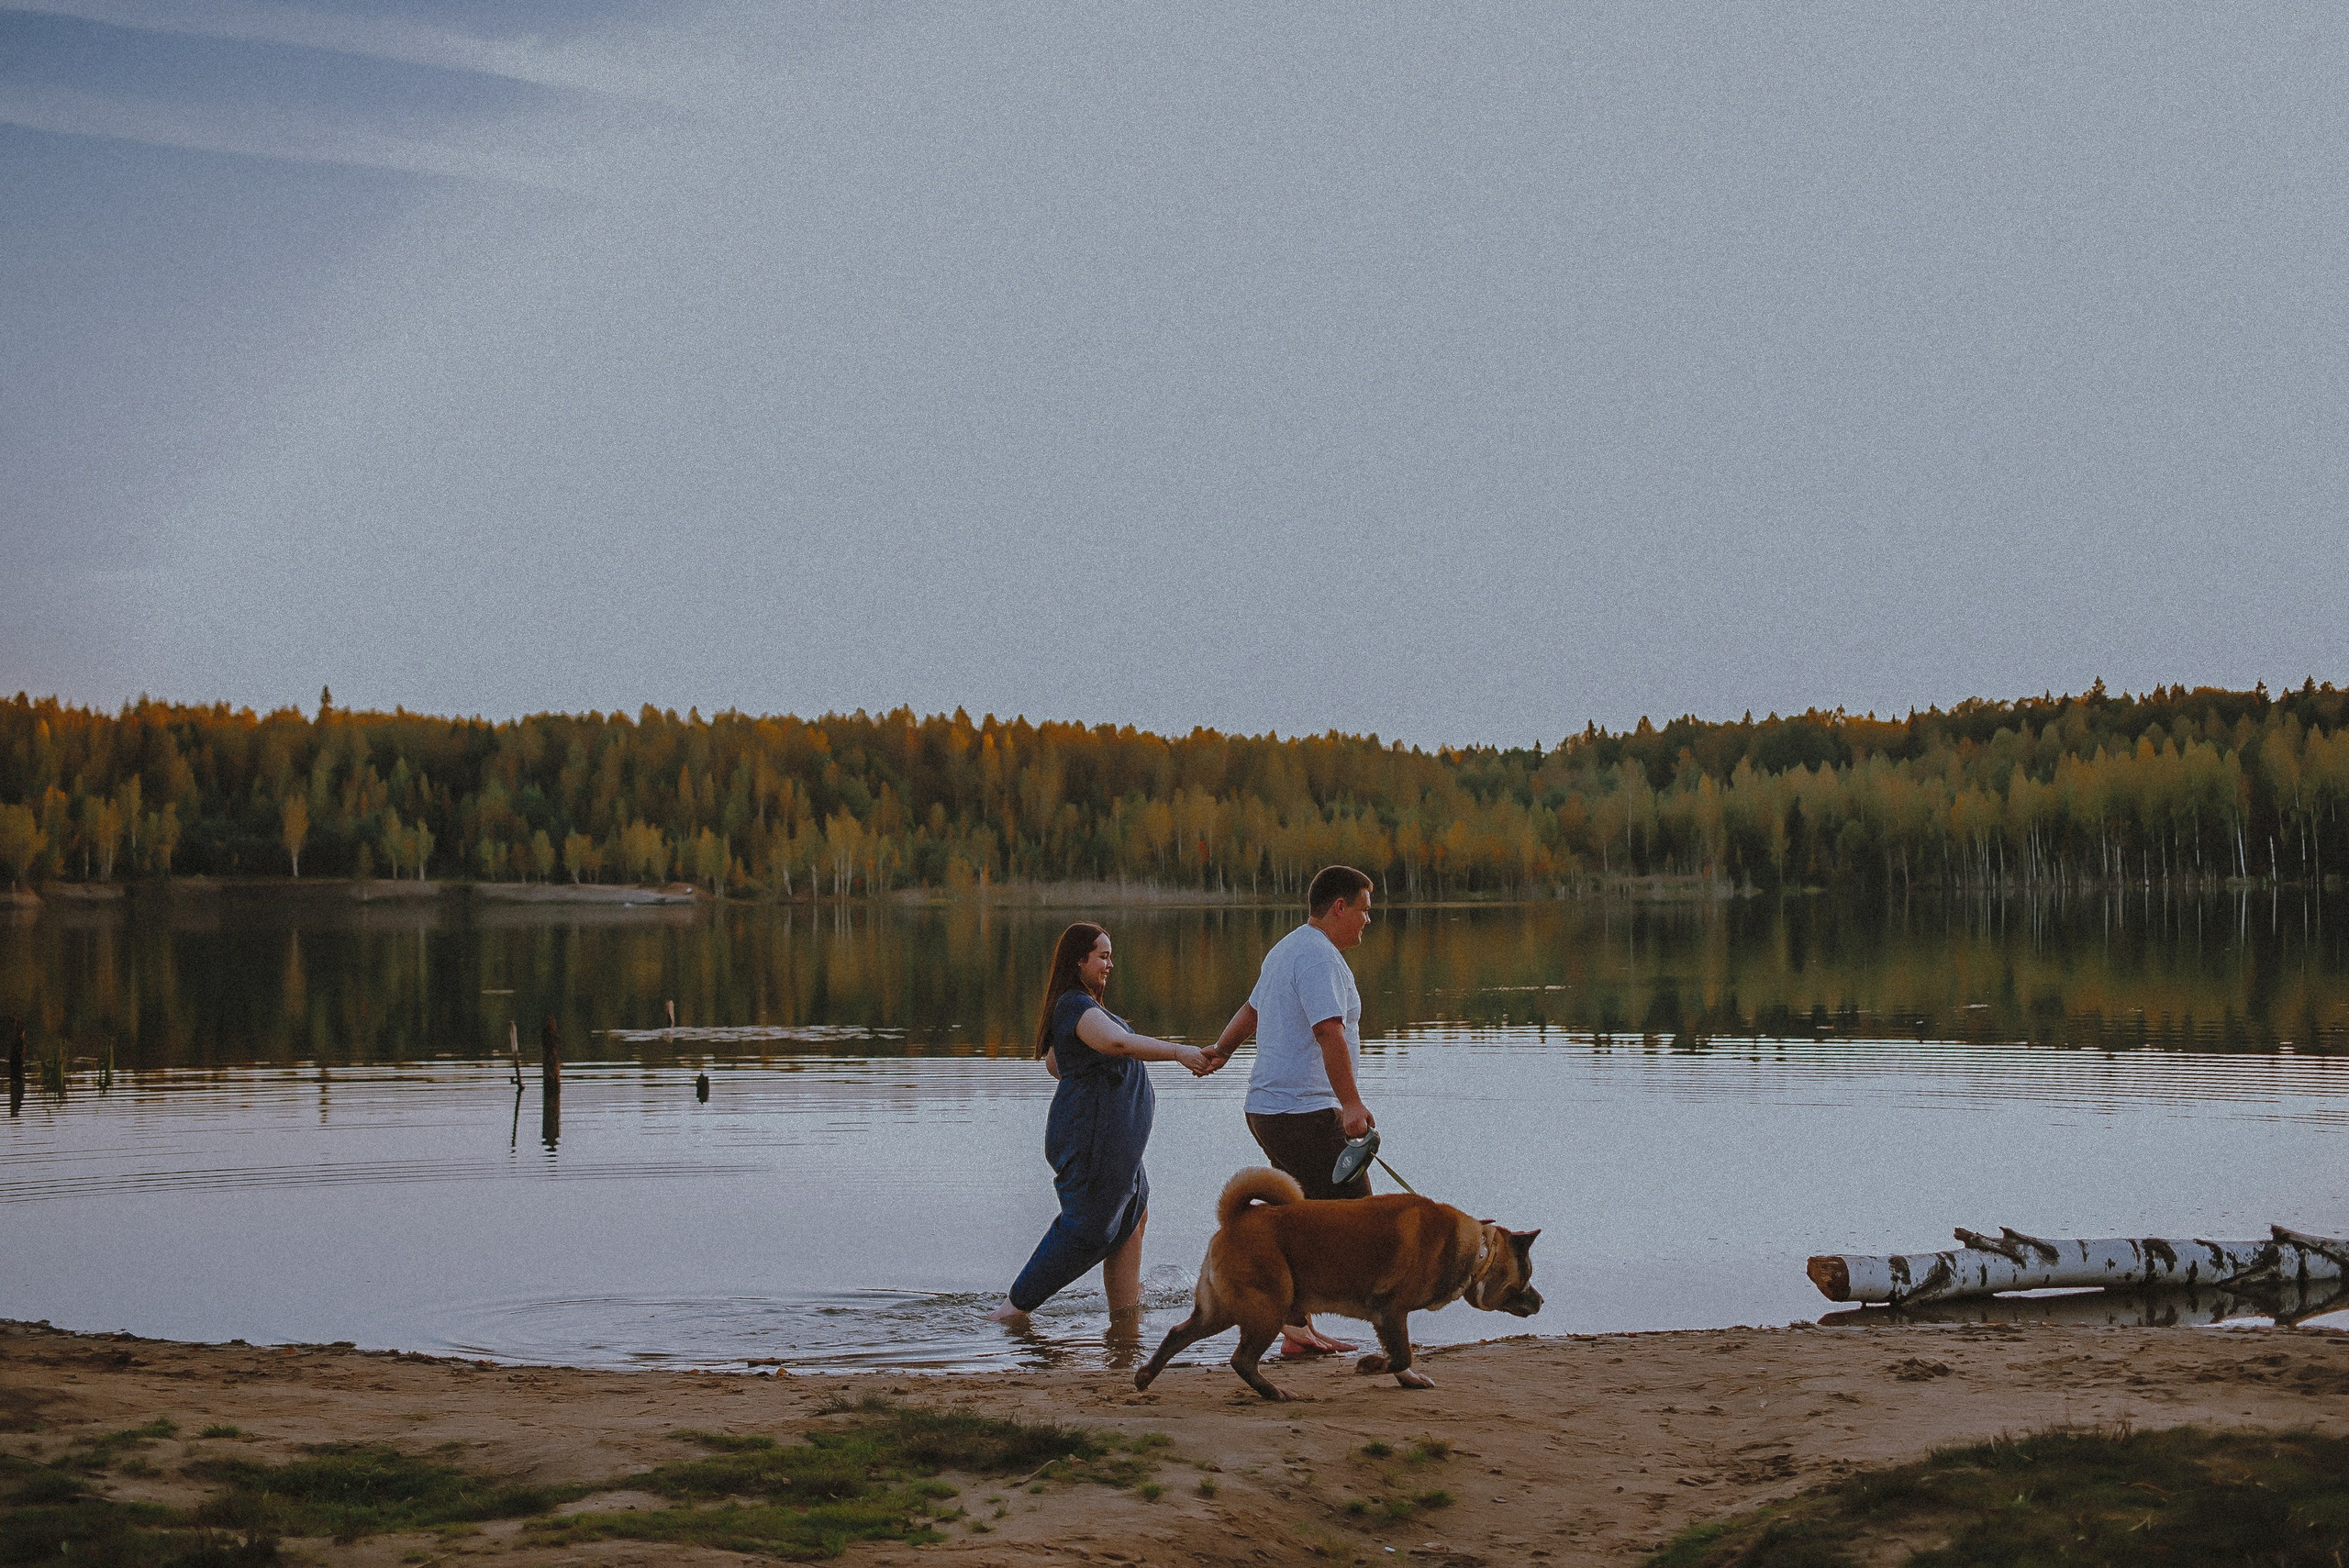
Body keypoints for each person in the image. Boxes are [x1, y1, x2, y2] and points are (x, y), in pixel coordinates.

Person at [990, 922, 1212, 1327]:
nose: (1110, 964)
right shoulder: (1075, 1006)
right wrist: (1180, 1052)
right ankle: (1009, 1313)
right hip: (1094, 1144)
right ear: (1079, 961)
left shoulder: (1087, 1009)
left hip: (1116, 1146)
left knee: (1130, 1219)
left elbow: (1060, 1063)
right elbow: (1117, 1044)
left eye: (1111, 955)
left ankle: (1124, 1322)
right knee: (1087, 1230)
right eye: (1103, 956)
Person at [1200, 863, 1376, 1356]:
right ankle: (1299, 1328)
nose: (1367, 920)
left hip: (1269, 1109)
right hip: (1304, 1112)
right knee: (1360, 1222)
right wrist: (1351, 1104)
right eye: (1364, 910)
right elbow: (1328, 1032)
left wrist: (1222, 1049)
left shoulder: (1288, 948)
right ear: (1339, 907)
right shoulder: (1318, 958)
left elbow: (1252, 1010)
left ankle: (1297, 1328)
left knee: (1304, 1221)